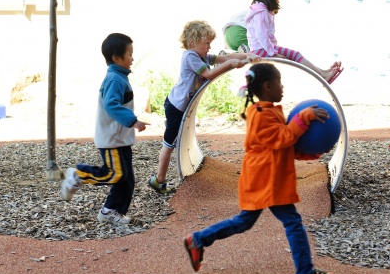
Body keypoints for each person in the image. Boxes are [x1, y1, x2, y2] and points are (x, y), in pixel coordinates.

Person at [183, 62, 336, 274]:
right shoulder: (262, 115)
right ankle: (305, 273)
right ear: (267, 86)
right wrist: (304, 117)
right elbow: (283, 138)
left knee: (244, 222)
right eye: (279, 83)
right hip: (267, 181)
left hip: (266, 180)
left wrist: (308, 154)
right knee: (293, 222)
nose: (282, 87)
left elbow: (282, 146)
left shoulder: (267, 113)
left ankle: (198, 240)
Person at [147, 20, 261, 194]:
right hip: (176, 107)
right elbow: (208, 74)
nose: (209, 47)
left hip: (181, 105)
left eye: (210, 43)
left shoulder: (201, 56)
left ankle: (159, 179)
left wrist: (247, 57)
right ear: (193, 42)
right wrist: (230, 65)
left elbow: (226, 58)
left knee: (173, 142)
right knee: (169, 144)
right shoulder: (190, 56)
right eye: (206, 43)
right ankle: (159, 180)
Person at [60, 33, 149, 225]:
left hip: (120, 138)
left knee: (126, 179)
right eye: (129, 55)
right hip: (112, 139)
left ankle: (110, 211)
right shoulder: (115, 80)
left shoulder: (119, 77)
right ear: (116, 58)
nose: (132, 58)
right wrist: (132, 121)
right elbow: (111, 105)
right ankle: (79, 174)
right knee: (115, 174)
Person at [246, 0, 344, 84]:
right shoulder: (261, 12)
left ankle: (324, 73)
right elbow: (261, 35)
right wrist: (272, 53)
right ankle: (323, 76)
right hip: (261, 50)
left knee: (295, 57)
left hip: (264, 48)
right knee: (296, 55)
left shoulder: (262, 10)